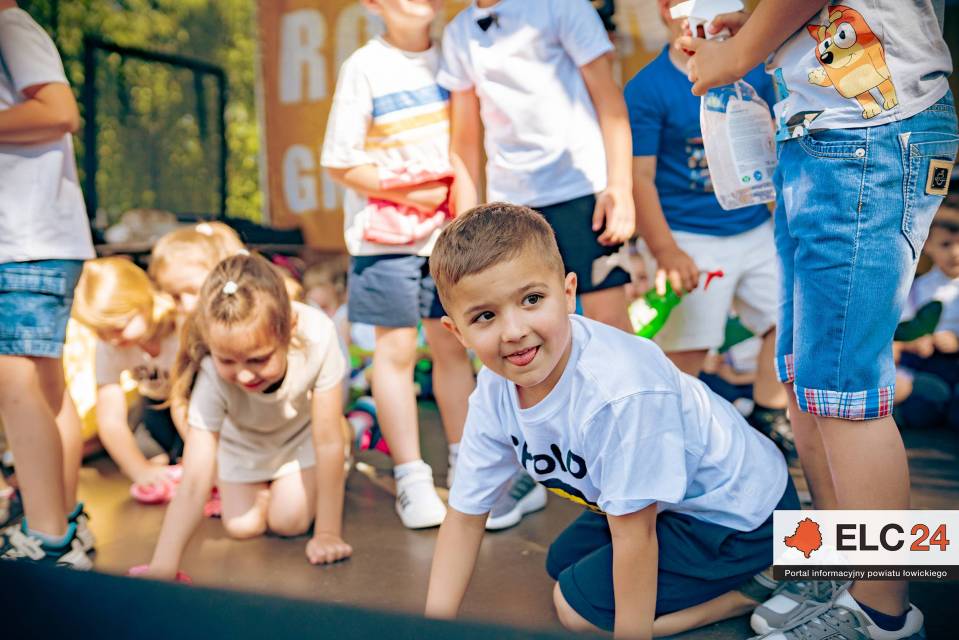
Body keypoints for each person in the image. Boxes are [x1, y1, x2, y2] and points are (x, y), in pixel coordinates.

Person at [681, 2, 956, 637]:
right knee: (807, 376)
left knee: (844, 387)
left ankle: (883, 612)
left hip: (869, 130)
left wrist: (740, 51)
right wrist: (753, 28)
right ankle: (838, 564)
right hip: (823, 133)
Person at [423, 203, 797, 638]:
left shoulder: (620, 392)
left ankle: (761, 584)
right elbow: (465, 517)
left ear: (568, 293)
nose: (514, 331)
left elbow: (635, 538)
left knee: (574, 608)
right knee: (561, 563)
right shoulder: (494, 387)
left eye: (532, 300)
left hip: (740, 516)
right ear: (458, 332)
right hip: (674, 506)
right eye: (485, 316)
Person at [321, 0, 476, 528]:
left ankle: (468, 468)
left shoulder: (456, 54)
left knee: (453, 349)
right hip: (383, 242)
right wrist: (417, 194)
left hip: (448, 241)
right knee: (395, 353)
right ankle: (411, 477)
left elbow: (470, 145)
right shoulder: (364, 66)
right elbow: (340, 162)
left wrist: (461, 216)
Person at [627, 0, 791, 453]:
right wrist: (665, 250)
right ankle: (667, 441)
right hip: (689, 236)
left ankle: (769, 417)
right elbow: (639, 177)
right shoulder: (648, 88)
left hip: (753, 227)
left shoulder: (753, 70)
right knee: (687, 351)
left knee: (789, 321)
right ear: (667, 9)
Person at [140, 254, 351, 578]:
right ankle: (271, 485)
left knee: (289, 521)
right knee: (242, 526)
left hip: (301, 437)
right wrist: (163, 566)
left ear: (289, 329)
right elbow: (194, 481)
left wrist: (327, 533)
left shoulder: (318, 335)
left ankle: (338, 449)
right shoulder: (209, 371)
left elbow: (327, 442)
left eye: (258, 359)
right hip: (243, 443)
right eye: (228, 361)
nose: (244, 375)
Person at [438, 0, 636, 334]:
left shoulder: (562, 6)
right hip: (511, 205)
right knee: (524, 326)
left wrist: (619, 187)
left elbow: (610, 102)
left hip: (583, 190)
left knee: (609, 322)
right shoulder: (458, 32)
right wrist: (466, 223)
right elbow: (465, 140)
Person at [0, 0, 95, 568]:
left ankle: (47, 535)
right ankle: (62, 521)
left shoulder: (8, 24)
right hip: (28, 242)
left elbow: (60, 110)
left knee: (15, 382)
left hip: (26, 243)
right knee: (44, 388)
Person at [71, 257, 186, 502]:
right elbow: (110, 418)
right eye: (100, 332)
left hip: (194, 406)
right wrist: (139, 470)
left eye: (118, 327)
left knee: (192, 457)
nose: (111, 339)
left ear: (144, 302)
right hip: (155, 406)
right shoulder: (109, 346)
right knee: (152, 459)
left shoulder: (181, 327)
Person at [893, 199, 959, 430]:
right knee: (925, 401)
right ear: (927, 245)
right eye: (946, 244)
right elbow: (903, 330)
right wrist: (914, 344)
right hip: (925, 363)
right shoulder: (917, 288)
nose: (955, 253)